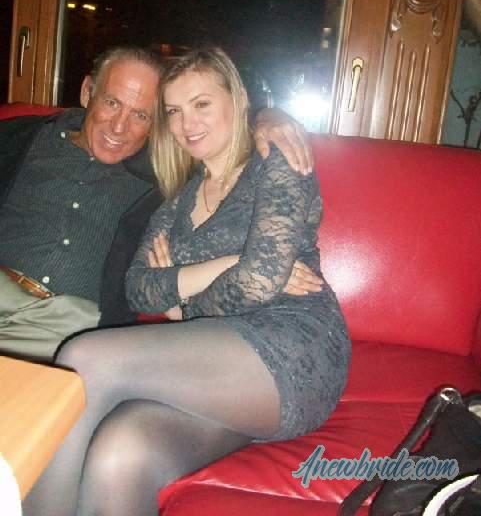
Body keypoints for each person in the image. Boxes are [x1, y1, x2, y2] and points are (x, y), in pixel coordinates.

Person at [23, 47, 351, 516]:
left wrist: (184, 299)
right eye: (174, 111)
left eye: (201, 104)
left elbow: (259, 283)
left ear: (236, 101)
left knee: (82, 358)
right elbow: (138, 288)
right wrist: (228, 264)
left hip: (291, 351)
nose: (186, 123)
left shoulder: (275, 159)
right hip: (215, 372)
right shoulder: (178, 200)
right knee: (122, 452)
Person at [0, 45, 316, 361]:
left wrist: (267, 117)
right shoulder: (17, 137)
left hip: (66, 324)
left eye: (141, 115)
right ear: (87, 92)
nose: (119, 127)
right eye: (112, 102)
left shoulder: (168, 175)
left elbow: (222, 136)